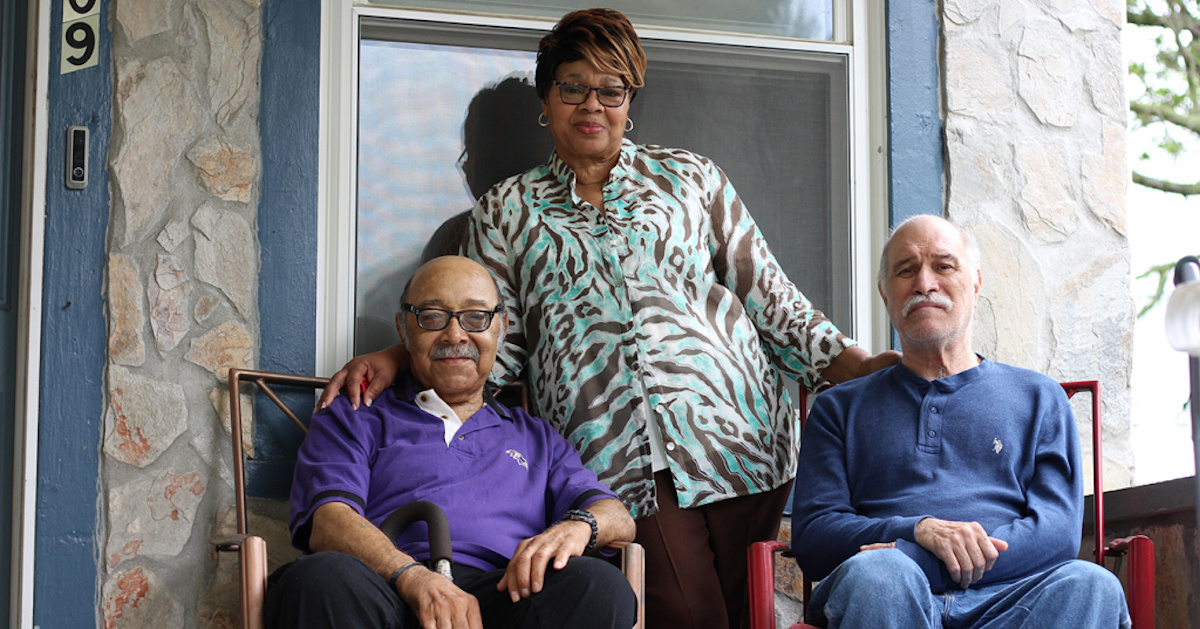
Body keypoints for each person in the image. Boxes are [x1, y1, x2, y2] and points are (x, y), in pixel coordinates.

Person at [320, 9, 898, 628]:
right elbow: (489, 337)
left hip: (741, 437)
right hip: (615, 457)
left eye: (611, 89)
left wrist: (861, 366)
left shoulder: (691, 179)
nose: (591, 104)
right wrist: (399, 354)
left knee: (751, 612)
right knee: (688, 615)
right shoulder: (507, 211)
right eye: (573, 86)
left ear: (630, 100)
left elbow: (770, 298)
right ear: (547, 99)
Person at [790, 215, 1130, 628]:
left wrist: (921, 557)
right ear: (885, 293)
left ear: (975, 283)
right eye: (906, 270)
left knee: (1091, 585)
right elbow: (815, 539)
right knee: (880, 575)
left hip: (1012, 599)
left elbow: (1057, 533)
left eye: (944, 266)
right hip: (886, 594)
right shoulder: (838, 409)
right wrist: (917, 530)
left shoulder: (1040, 398)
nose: (925, 283)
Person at [266, 256, 638, 629]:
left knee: (600, 586)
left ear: (502, 328)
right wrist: (412, 577)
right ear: (403, 328)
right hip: (385, 589)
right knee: (320, 578)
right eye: (432, 317)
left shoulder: (537, 438)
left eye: (476, 317)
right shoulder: (355, 412)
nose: (455, 335)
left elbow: (617, 517)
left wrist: (579, 526)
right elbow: (328, 522)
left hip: (504, 597)